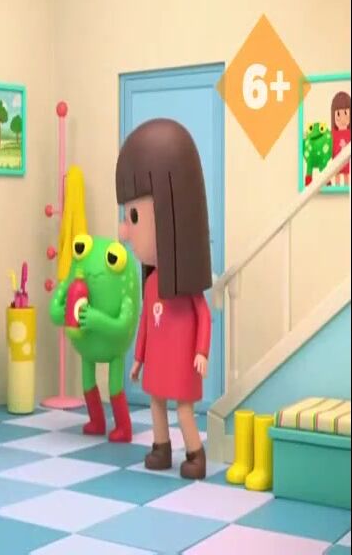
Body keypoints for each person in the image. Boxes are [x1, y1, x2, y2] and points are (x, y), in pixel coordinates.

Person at [115, 118, 212, 480]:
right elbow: (146, 321)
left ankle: (195, 453)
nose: (124, 232)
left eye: (133, 216)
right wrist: (139, 358)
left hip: (182, 361)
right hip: (158, 362)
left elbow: (203, 315)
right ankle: (161, 446)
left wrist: (201, 352)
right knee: (156, 403)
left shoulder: (185, 286)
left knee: (183, 409)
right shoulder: (153, 282)